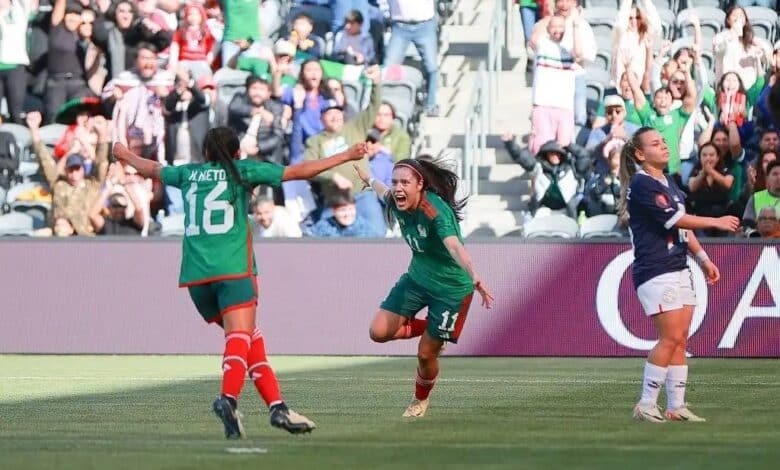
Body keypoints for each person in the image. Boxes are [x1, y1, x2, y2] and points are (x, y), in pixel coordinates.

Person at [111, 126, 369, 438]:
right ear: (236, 153)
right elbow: (299, 171)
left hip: (196, 278)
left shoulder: (189, 174)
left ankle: (278, 407)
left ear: (205, 154)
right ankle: (228, 398)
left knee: (250, 339)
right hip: (233, 271)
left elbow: (151, 168)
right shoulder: (243, 170)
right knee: (239, 337)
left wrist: (123, 154)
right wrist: (346, 155)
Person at [354, 157, 494, 418]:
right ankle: (435, 332)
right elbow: (383, 190)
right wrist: (370, 180)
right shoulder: (396, 201)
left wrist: (474, 274)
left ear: (420, 185)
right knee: (378, 331)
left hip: (451, 289)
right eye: (395, 182)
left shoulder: (434, 211)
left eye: (405, 182)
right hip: (417, 279)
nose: (397, 188)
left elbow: (453, 245)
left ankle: (420, 400)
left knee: (425, 356)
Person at [618, 127, 739, 423]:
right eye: (655, 144)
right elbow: (677, 219)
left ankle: (676, 405)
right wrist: (717, 221)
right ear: (640, 154)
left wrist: (703, 258)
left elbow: (681, 229)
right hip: (656, 268)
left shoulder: (667, 181)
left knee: (681, 339)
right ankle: (646, 403)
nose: (664, 147)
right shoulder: (643, 184)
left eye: (663, 141)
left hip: (678, 266)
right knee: (670, 336)